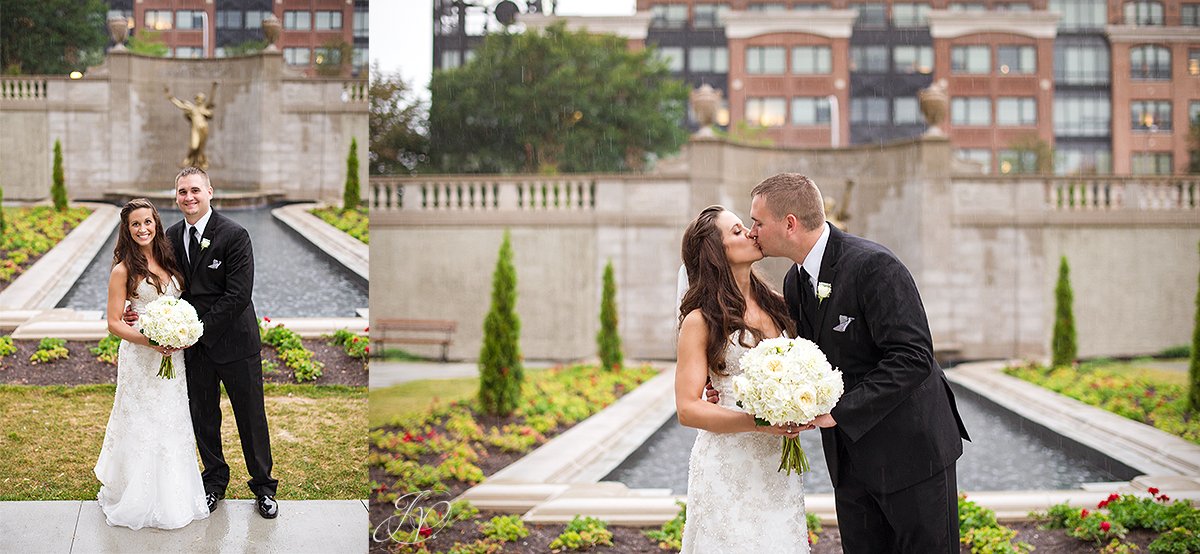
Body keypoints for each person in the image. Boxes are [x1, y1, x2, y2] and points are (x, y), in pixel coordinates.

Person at [746, 173, 970, 553]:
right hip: (850, 462)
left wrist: (839, 411)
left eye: (757, 222)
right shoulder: (794, 282)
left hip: (911, 454)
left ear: (789, 224)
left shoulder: (874, 266)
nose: (752, 231)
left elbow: (912, 358)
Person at [126, 167, 279, 518]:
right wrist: (137, 311)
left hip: (235, 344)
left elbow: (238, 295)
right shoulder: (170, 238)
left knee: (251, 417)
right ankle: (214, 482)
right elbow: (163, 287)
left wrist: (195, 330)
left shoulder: (235, 235)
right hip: (193, 352)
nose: (189, 197)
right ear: (176, 196)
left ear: (210, 191)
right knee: (203, 418)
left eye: (195, 189)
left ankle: (264, 487)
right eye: (182, 192)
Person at [675, 205, 813, 553]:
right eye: (737, 231)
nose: (751, 233)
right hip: (727, 467)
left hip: (776, 468)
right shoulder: (700, 321)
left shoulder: (780, 304)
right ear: (716, 253)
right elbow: (687, 409)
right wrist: (757, 421)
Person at [94, 198, 209, 530]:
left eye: (147, 222)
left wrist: (180, 332)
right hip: (141, 357)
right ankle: (136, 495)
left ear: (156, 223)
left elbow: (179, 303)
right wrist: (152, 341)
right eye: (135, 224)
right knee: (142, 422)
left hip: (173, 356)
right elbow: (114, 323)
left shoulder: (169, 259)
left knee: (171, 420)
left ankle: (174, 496)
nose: (142, 229)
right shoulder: (123, 270)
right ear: (127, 230)